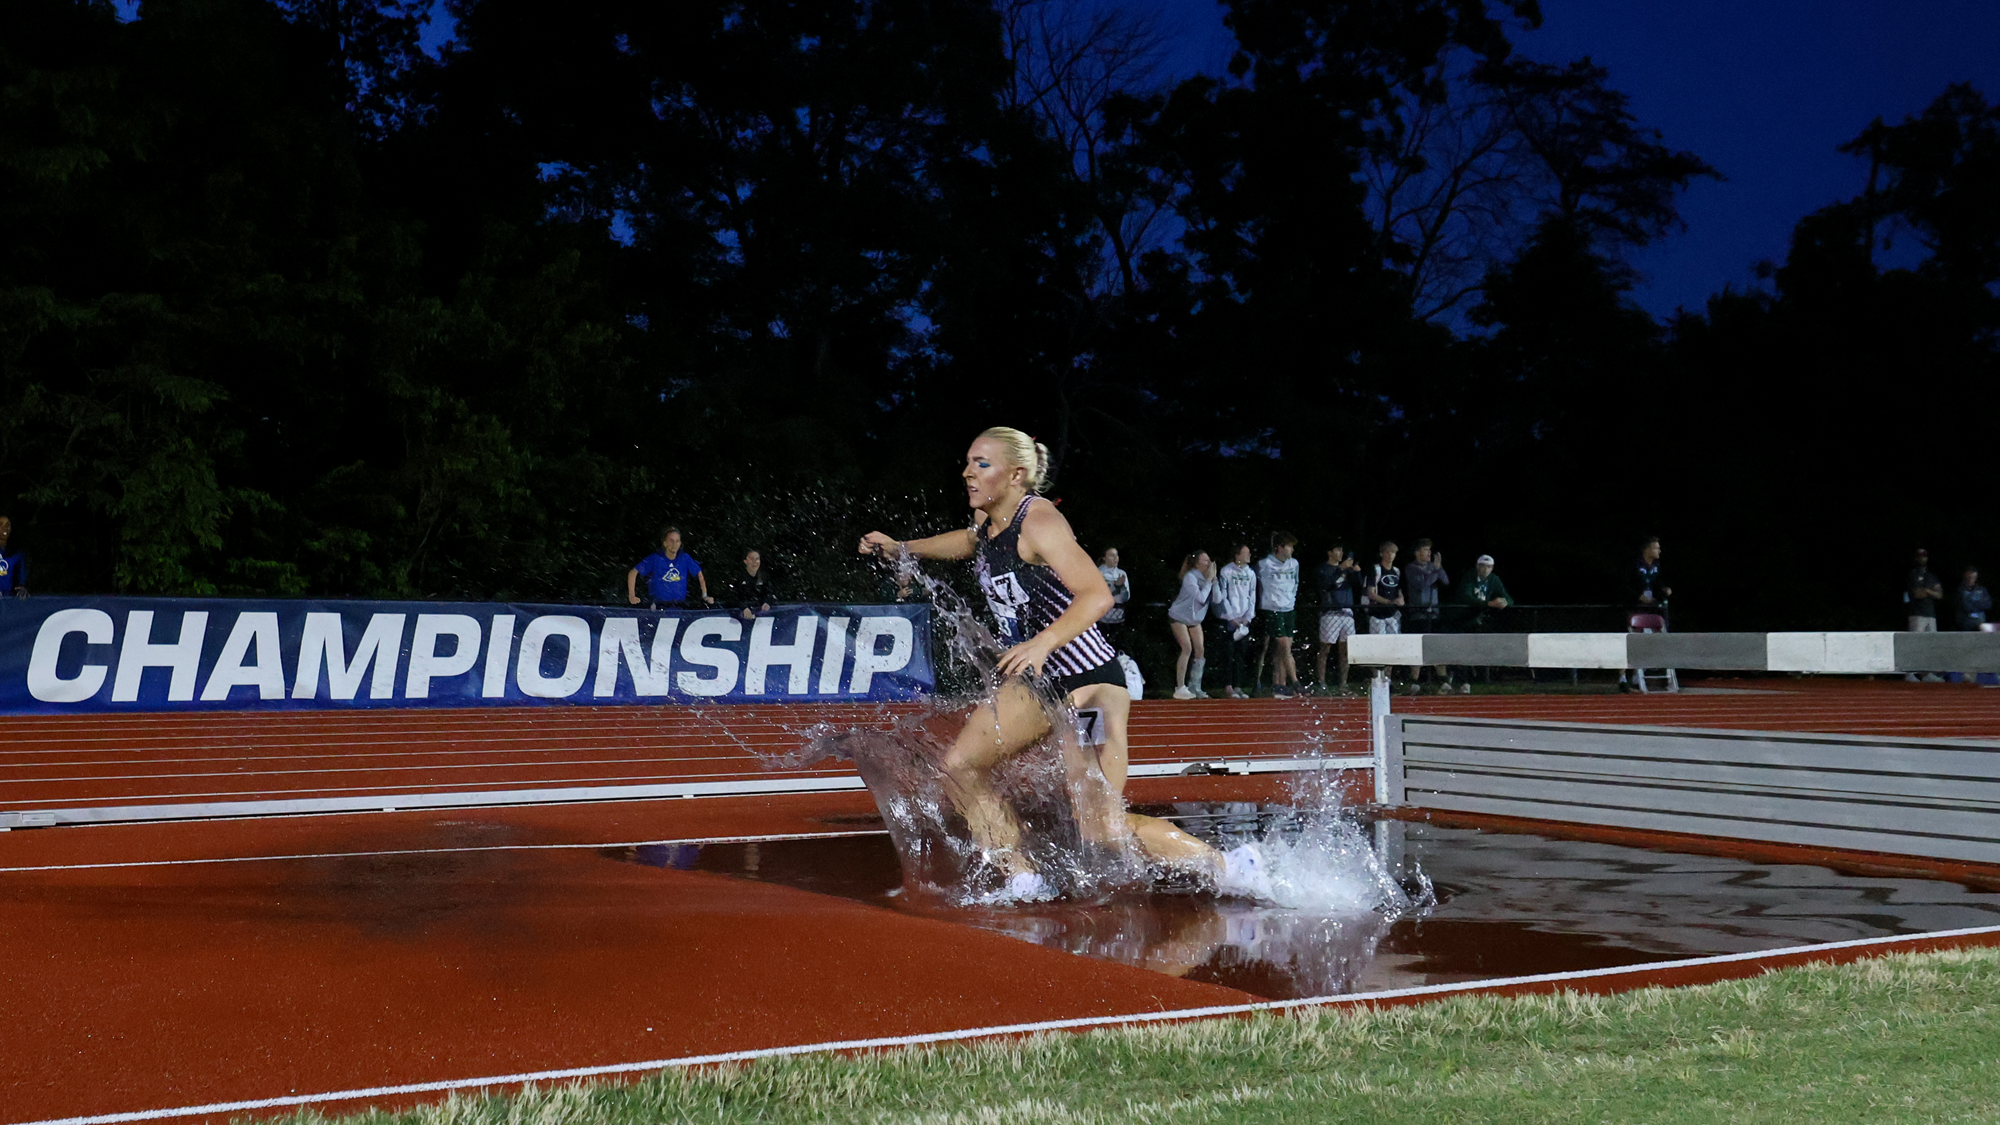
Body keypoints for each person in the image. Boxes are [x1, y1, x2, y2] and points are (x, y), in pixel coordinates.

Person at [856, 427, 1237, 893]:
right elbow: (969, 541)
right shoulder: (987, 521)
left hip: (1089, 682)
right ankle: (1022, 877)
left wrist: (1043, 643)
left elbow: (1096, 594)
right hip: (1040, 682)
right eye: (968, 461)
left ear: (1016, 475)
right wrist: (903, 548)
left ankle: (1228, 866)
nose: (967, 472)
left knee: (1100, 828)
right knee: (960, 767)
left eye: (981, 463)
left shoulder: (1038, 521)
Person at [1451, 554, 1513, 693]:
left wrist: (1505, 602)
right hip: (1462, 619)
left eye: (1489, 567)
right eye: (1483, 566)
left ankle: (1479, 680)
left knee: (1479, 648)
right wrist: (1489, 604)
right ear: (1477, 566)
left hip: (1478, 620)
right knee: (1462, 649)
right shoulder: (1469, 577)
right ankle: (1463, 681)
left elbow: (1508, 597)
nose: (1486, 570)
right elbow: (1466, 597)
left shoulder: (1494, 579)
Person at [1256, 532, 1302, 698]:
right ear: (1279, 548)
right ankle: (1296, 682)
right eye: (1288, 546)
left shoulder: (1294, 564)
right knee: (1284, 646)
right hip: (1273, 609)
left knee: (1282, 650)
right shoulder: (1264, 564)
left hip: (1288, 609)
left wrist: (1291, 599)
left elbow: (1295, 583)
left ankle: (1279, 684)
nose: (1291, 550)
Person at [1402, 539, 1451, 694]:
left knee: (1437, 647)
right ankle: (1414, 681)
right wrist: (1434, 571)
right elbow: (1422, 585)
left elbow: (1445, 581)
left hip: (1434, 614)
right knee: (1417, 647)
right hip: (1418, 615)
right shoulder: (1411, 568)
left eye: (1430, 550)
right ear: (1417, 552)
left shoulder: (1433, 566)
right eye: (1425, 549)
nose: (1429, 553)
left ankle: (1443, 680)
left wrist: (1438, 568)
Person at [1313, 543, 1361, 694]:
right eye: (1338, 550)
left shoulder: (1347, 569)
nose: (1341, 553)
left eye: (1342, 550)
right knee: (1325, 648)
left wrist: (1356, 572)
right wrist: (1340, 569)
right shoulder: (1323, 569)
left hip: (1347, 611)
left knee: (1345, 650)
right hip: (1330, 612)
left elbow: (1358, 586)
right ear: (1330, 552)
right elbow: (1327, 584)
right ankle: (1322, 682)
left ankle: (1343, 684)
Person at [627, 526, 714, 609]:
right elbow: (633, 573)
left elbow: (699, 573)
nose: (674, 544)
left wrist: (705, 595)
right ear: (665, 543)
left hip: (679, 606)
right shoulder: (655, 558)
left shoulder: (684, 558)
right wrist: (632, 596)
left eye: (677, 541)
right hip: (658, 607)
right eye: (671, 541)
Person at [1167, 552, 1215, 699]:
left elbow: (1218, 599)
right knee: (1187, 648)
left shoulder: (1208, 578)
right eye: (1205, 560)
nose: (1209, 563)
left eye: (1209, 560)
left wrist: (1215, 582)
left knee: (1200, 650)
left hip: (1194, 619)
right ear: (1197, 563)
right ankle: (1180, 687)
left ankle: (1195, 686)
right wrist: (1208, 581)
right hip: (1179, 616)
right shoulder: (1190, 577)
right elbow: (1200, 598)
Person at [1214, 544, 1259, 699]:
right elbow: (1223, 595)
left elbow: (1252, 596)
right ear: (1237, 555)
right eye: (1246, 553)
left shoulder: (1251, 573)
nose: (1249, 556)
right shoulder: (1226, 571)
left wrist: (1247, 618)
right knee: (1229, 653)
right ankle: (1228, 686)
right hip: (1230, 620)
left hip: (1243, 621)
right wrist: (1231, 617)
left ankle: (1238, 685)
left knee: (1241, 654)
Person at [1905, 549, 1945, 683]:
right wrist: (1931, 591)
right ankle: (1909, 673)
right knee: (1915, 644)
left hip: (1930, 614)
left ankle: (1927, 673)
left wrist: (1927, 591)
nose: (1923, 559)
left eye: (1924, 556)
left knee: (1931, 645)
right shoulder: (1912, 575)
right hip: (1917, 614)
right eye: (1920, 556)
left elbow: (1940, 595)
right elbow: (1917, 593)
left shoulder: (1931, 575)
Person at [728, 549, 776, 621]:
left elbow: (770, 592)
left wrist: (767, 602)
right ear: (745, 561)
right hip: (738, 617)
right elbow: (731, 596)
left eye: (757, 559)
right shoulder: (737, 577)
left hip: (759, 618)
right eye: (752, 559)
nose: (755, 562)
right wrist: (743, 607)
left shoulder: (764, 577)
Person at [1097, 548, 1131, 648]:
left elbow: (1126, 598)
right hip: (1101, 619)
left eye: (1116, 555)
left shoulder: (1122, 573)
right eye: (1112, 555)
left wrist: (1121, 587)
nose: (1115, 558)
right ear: (1104, 558)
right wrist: (1114, 587)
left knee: (1116, 647)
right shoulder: (1097, 572)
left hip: (1118, 619)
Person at [1634, 537, 1671, 610]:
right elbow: (1626, 586)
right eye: (1656, 548)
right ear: (1648, 550)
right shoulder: (1635, 565)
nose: (1659, 551)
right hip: (1635, 605)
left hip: (1652, 604)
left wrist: (1664, 589)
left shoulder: (1657, 566)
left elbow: (1658, 583)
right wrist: (1638, 596)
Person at [1956, 566, 1991, 632]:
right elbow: (1965, 606)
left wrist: (1973, 602)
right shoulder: (1960, 590)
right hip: (1965, 622)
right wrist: (1978, 603)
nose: (1970, 580)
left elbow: (1988, 604)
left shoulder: (1982, 590)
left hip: (1981, 620)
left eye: (1973, 577)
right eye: (1969, 577)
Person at [0, 516, 26, 598]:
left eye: (7, 525)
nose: (4, 528)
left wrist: (21, 588)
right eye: (0, 524)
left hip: (9, 599)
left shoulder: (17, 553)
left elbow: (20, 576)